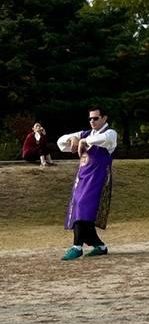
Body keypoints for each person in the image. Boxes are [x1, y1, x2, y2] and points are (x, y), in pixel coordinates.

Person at [57, 108, 117, 260]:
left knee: (83, 207)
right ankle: (100, 246)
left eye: (96, 118)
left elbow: (105, 140)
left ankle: (77, 246)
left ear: (104, 118)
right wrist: (73, 140)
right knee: (81, 211)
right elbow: (61, 142)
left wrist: (84, 141)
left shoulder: (110, 133)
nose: (92, 121)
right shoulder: (85, 133)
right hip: (82, 178)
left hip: (97, 178)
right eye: (90, 119)